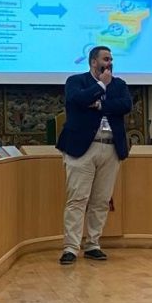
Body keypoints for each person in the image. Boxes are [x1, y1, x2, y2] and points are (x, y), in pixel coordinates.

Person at [55, 45, 131, 265]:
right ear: (93, 62)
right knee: (78, 199)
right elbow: (77, 101)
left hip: (111, 147)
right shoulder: (76, 81)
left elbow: (125, 105)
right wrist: (101, 86)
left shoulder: (119, 84)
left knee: (101, 200)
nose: (110, 63)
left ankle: (93, 244)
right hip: (81, 148)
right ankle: (71, 247)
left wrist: (99, 104)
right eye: (106, 59)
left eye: (111, 59)